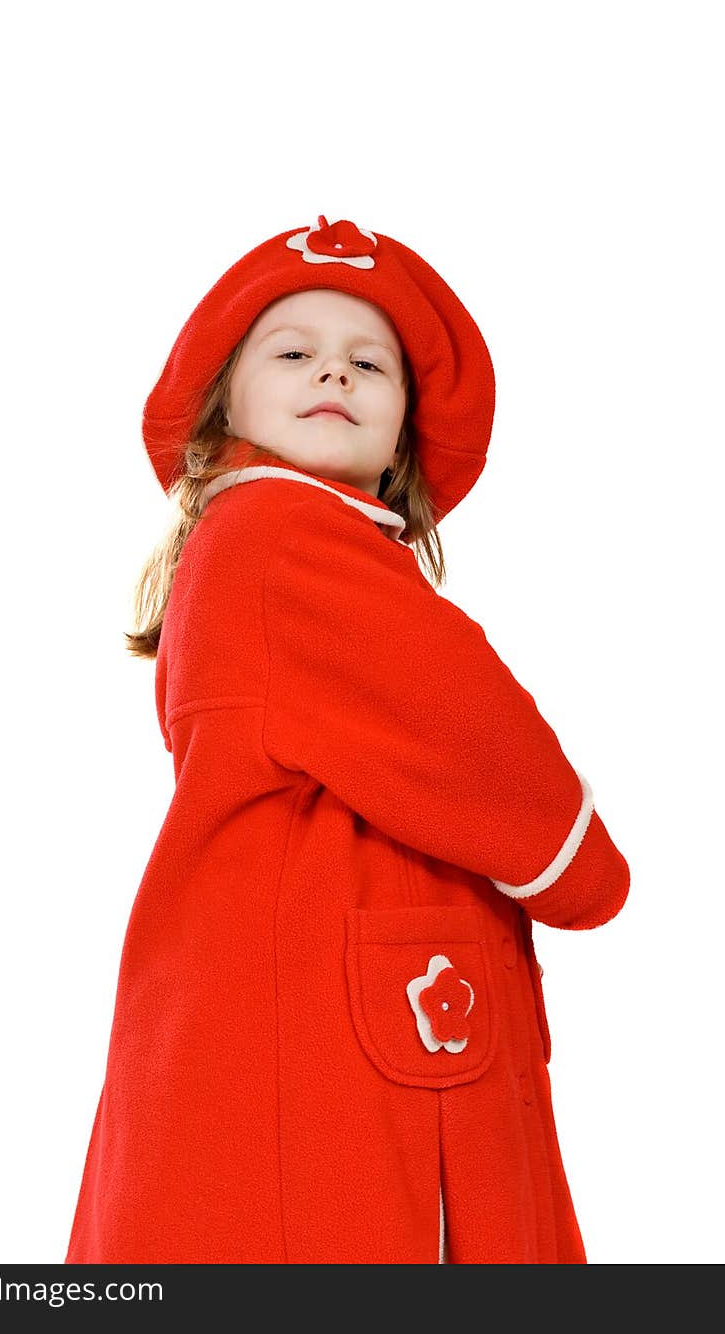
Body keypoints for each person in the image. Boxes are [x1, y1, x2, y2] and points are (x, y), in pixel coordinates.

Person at [64, 214, 630, 1265]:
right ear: (221, 406)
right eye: (293, 351)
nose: (334, 370)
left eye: (368, 362)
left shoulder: (255, 550)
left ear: (406, 431)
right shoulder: (285, 539)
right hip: (337, 1058)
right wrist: (587, 866)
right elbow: (483, 749)